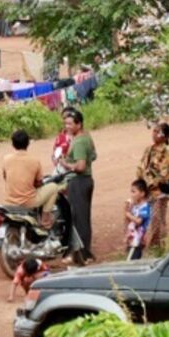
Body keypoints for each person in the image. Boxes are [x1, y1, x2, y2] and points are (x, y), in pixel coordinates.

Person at [63, 109, 97, 265]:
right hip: (87, 181)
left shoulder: (79, 142)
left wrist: (66, 164)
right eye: (66, 123)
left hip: (79, 181)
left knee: (79, 219)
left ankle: (84, 254)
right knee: (83, 217)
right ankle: (83, 252)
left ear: (79, 124)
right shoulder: (86, 137)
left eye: (70, 123)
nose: (67, 126)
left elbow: (81, 166)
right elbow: (94, 155)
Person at [136, 122, 169, 253]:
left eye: (157, 132)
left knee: (157, 220)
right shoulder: (148, 149)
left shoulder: (168, 155)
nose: (154, 134)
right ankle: (157, 246)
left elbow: (163, 176)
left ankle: (157, 247)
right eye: (154, 131)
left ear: (165, 136)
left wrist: (149, 183)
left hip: (159, 192)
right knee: (152, 219)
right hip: (147, 191)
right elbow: (141, 166)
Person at [125, 179, 151, 261]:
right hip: (133, 239)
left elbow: (139, 221)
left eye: (133, 192)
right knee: (131, 259)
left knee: (131, 262)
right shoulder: (136, 205)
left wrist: (128, 214)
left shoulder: (145, 207)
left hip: (138, 240)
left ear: (142, 194)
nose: (131, 194)